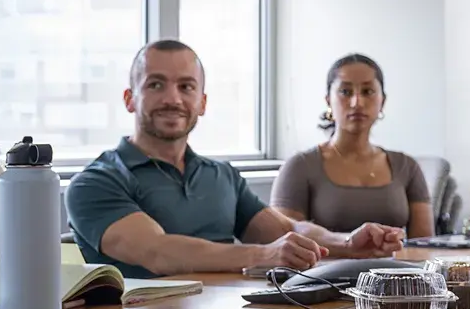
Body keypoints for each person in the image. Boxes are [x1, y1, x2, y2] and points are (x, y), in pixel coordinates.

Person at [66, 40, 405, 279]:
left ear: (202, 102)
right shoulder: (94, 183)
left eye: (186, 87)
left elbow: (287, 231)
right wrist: (264, 255)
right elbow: (158, 252)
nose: (173, 98)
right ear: (129, 98)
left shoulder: (222, 175)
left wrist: (346, 243)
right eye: (156, 85)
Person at [271, 54, 434, 238]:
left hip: (394, 266)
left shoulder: (407, 166)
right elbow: (285, 242)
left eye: (368, 92)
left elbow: (424, 247)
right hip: (323, 267)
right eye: (345, 92)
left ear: (383, 101)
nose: (357, 103)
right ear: (328, 101)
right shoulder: (299, 166)